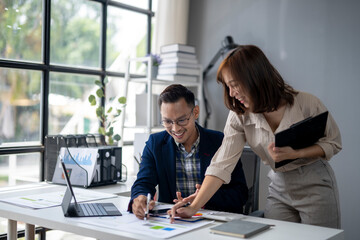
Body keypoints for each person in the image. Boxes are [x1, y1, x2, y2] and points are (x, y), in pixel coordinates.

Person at [170, 45, 342, 229]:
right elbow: (222, 163)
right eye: (228, 86)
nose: (231, 93)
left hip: (314, 181)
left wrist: (294, 153)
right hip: (279, 184)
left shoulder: (307, 103)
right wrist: (193, 207)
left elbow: (333, 143)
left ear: (255, 77)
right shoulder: (239, 115)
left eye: (234, 84)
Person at [129, 84, 248, 219]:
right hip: (174, 221)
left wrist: (203, 198)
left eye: (181, 120)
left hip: (214, 220)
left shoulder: (220, 141)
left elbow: (240, 194)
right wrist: (140, 197)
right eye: (167, 121)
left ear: (195, 112)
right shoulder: (155, 143)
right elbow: (143, 183)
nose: (175, 129)